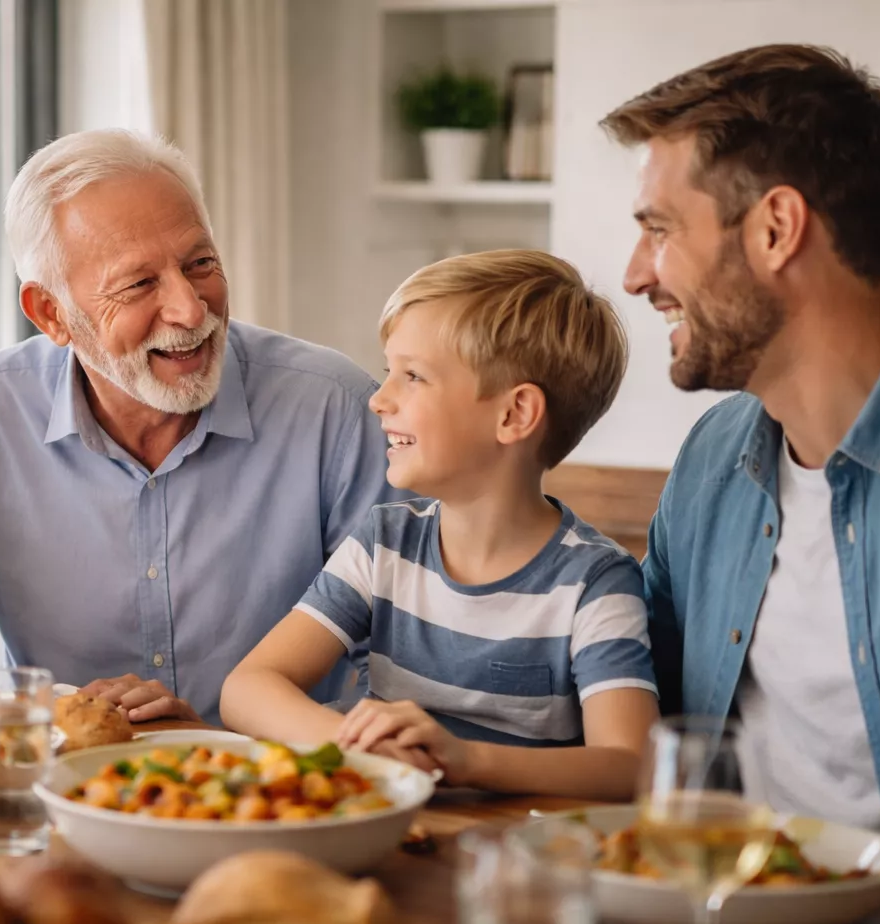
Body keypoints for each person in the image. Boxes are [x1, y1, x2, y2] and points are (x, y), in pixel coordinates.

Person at [0, 129, 399, 725]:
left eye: (201, 264)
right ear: (50, 313)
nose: (191, 310)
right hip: (59, 793)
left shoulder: (335, 409)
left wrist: (228, 751)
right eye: (138, 284)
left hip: (283, 794)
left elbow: (404, 669)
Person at [220, 251, 659, 800]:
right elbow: (246, 689)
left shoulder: (595, 584)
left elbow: (631, 767)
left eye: (413, 376)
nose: (379, 400)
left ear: (514, 415)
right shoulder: (383, 544)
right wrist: (357, 747)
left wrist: (465, 759)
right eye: (388, 373)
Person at [604, 44, 880, 827]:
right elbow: (642, 701)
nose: (634, 275)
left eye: (659, 229)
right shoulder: (714, 461)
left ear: (775, 229)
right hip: (728, 907)